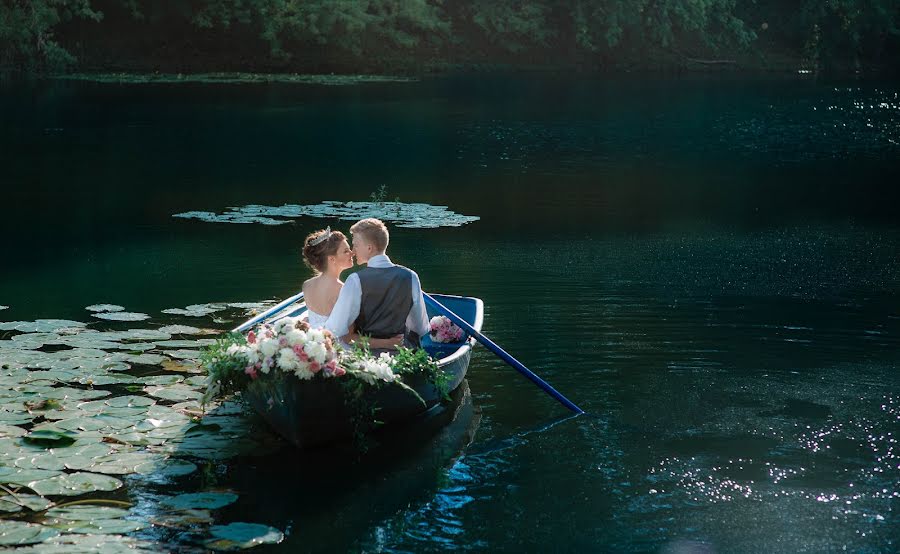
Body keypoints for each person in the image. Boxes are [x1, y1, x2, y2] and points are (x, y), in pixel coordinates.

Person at [325, 218, 430, 353]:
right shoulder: (411, 276)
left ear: (369, 248)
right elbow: (421, 328)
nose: (353, 251)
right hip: (402, 354)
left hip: (367, 358)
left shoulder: (355, 280)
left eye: (356, 245)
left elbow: (335, 329)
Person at [301, 227, 401, 349]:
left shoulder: (306, 285)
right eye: (346, 251)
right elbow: (349, 338)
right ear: (332, 259)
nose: (352, 253)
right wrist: (388, 343)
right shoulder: (344, 290)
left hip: (312, 345)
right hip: (335, 350)